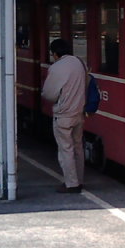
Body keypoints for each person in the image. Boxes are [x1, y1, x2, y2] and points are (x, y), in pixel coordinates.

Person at [41, 38, 87, 193]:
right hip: (79, 113)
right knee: (78, 147)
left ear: (55, 53)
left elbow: (49, 93)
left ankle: (72, 184)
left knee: (65, 149)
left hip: (63, 115)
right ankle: (80, 180)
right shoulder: (80, 63)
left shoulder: (57, 67)